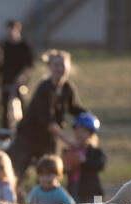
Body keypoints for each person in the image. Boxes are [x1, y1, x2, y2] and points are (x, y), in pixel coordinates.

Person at [7, 49, 86, 181]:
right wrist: (69, 141)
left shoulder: (67, 88)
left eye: (63, 65)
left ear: (68, 66)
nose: (60, 68)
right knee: (15, 174)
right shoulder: (44, 88)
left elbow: (77, 110)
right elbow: (49, 122)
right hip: (28, 137)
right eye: (56, 65)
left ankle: (46, 200)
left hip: (48, 140)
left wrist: (90, 125)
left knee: (50, 173)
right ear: (49, 67)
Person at [62, 112, 106, 203]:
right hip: (73, 187)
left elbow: (100, 165)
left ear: (91, 133)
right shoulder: (69, 150)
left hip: (90, 190)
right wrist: (64, 166)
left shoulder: (95, 151)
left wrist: (85, 160)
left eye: (83, 131)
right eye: (77, 130)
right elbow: (63, 169)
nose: (79, 134)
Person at [1, 19, 34, 128]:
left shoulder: (24, 46)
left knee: (22, 105)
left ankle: (24, 127)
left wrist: (21, 77)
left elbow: (29, 64)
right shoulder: (5, 46)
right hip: (7, 81)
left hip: (20, 82)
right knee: (5, 108)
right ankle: (5, 130)